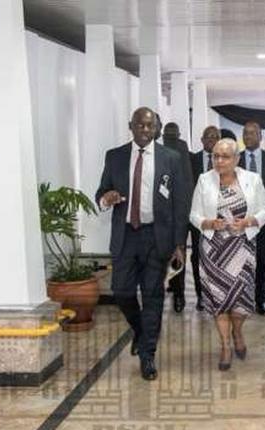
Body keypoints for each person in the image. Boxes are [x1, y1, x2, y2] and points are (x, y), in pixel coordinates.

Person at [95, 107, 191, 381]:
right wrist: (106, 198)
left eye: (150, 126)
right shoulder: (114, 157)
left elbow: (180, 203)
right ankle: (140, 330)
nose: (145, 130)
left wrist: (179, 243)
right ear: (131, 126)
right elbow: (101, 192)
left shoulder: (170, 158)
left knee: (153, 296)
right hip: (125, 236)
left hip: (156, 236)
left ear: (156, 128)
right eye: (140, 125)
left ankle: (148, 354)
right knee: (121, 291)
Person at [189, 138, 265, 371]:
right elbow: (193, 215)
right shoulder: (204, 180)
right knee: (219, 301)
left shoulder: (252, 179)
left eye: (225, 156)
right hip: (213, 250)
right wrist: (207, 222)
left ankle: (238, 331)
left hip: (242, 250)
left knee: (241, 302)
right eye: (215, 156)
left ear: (236, 159)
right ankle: (225, 346)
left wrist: (249, 221)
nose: (219, 161)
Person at [238, 122, 265, 315]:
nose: (248, 137)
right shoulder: (236, 159)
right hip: (240, 221)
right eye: (245, 134)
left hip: (264, 221)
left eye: (252, 133)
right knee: (240, 261)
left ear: (260, 135)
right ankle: (241, 298)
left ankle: (260, 299)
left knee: (262, 261)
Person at [162, 122, 195, 313]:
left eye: (174, 135)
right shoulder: (158, 150)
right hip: (161, 214)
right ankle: (173, 289)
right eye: (168, 135)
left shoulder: (182, 149)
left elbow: (187, 184)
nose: (171, 139)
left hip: (180, 212)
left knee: (178, 252)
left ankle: (179, 294)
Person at [189, 126, 221, 311]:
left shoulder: (228, 161)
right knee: (198, 257)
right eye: (208, 137)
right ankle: (202, 296)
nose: (212, 140)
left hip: (222, 217)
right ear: (202, 140)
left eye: (216, 137)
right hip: (198, 219)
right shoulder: (191, 160)